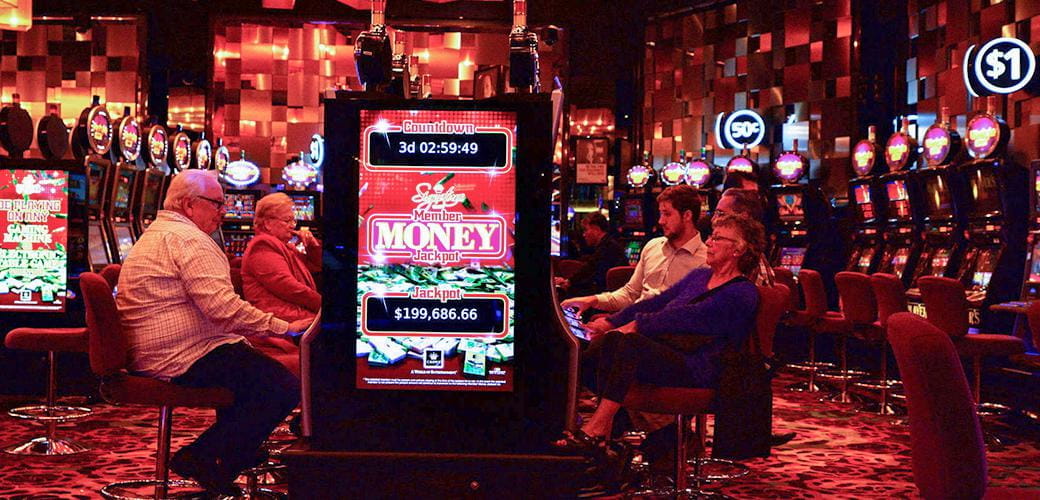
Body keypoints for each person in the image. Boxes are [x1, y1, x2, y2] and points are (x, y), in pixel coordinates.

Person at [116, 170, 311, 496]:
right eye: (218, 204)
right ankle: (203, 455)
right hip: (178, 355)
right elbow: (223, 309)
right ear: (190, 205)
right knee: (282, 385)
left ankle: (233, 453)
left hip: (156, 349)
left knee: (249, 368)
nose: (225, 211)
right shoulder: (191, 240)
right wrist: (284, 328)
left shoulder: (157, 233)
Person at [555, 214, 763, 449]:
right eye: (711, 237)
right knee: (596, 348)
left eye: (717, 238)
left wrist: (636, 325)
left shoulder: (743, 292)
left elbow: (686, 319)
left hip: (702, 366)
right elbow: (655, 303)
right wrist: (610, 323)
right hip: (669, 353)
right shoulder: (701, 276)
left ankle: (600, 427)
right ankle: (593, 428)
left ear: (738, 250)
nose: (709, 243)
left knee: (629, 344)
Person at [562, 185, 707, 334]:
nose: (661, 221)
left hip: (662, 334)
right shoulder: (653, 246)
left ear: (687, 216)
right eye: (660, 214)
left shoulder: (706, 262)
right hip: (633, 323)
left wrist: (619, 327)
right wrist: (593, 300)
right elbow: (630, 294)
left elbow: (680, 317)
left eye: (667, 214)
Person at [555, 213, 627, 297]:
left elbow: (592, 273)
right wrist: (568, 281)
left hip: (610, 295)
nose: (584, 234)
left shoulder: (608, 247)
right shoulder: (606, 244)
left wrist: (568, 283)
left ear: (596, 229)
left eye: (586, 230)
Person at [714, 188, 774, 286]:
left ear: (743, 217)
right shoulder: (728, 259)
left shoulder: (748, 262)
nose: (714, 219)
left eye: (720, 214)